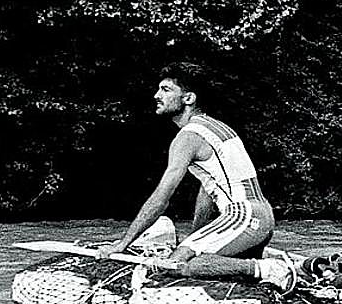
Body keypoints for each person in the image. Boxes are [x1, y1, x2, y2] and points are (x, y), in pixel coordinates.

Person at [97, 62, 294, 291]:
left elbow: (161, 199)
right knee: (193, 257)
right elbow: (208, 190)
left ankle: (269, 269)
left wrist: (122, 244)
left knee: (173, 265)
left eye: (166, 89)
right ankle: (296, 269)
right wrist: (194, 238)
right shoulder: (217, 127)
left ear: (189, 98)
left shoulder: (188, 137)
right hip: (263, 217)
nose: (156, 95)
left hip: (242, 216)